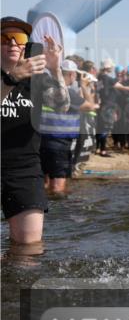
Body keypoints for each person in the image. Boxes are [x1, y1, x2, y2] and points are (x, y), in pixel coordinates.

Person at [1, 17, 66, 246]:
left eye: (18, 39)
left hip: (24, 168)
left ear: (25, 45)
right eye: (4, 38)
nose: (11, 44)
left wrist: (56, 70)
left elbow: (62, 104)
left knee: (29, 246)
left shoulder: (36, 80)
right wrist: (12, 78)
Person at [39, 60, 86, 196]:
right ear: (71, 74)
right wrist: (84, 87)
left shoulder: (45, 89)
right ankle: (59, 215)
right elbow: (91, 105)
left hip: (42, 141)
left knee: (45, 184)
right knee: (58, 189)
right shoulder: (69, 92)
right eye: (76, 75)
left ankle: (45, 213)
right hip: (60, 144)